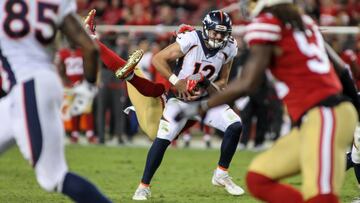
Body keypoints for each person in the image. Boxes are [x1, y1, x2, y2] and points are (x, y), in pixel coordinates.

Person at [175, 1, 359, 203]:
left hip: (325, 113)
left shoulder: (266, 24)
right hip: (320, 118)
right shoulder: (303, 22)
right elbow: (342, 70)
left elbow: (248, 82)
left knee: (322, 198)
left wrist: (202, 106)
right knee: (258, 179)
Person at [0, 1, 111, 202]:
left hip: (27, 85)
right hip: (38, 85)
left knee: (53, 177)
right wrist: (88, 87)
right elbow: (90, 48)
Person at [130, 10, 244, 200]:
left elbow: (223, 81)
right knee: (163, 138)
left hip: (205, 101)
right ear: (206, 29)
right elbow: (159, 59)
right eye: (215, 32)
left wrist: (204, 82)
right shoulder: (192, 39)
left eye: (222, 34)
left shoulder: (229, 47)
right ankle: (143, 186)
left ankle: (221, 173)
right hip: (179, 100)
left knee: (235, 125)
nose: (218, 37)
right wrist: (177, 81)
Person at [56, 43, 97, 144]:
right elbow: (61, 69)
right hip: (70, 85)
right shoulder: (63, 53)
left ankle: (89, 133)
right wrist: (66, 82)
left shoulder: (82, 52)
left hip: (83, 83)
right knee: (74, 110)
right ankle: (75, 133)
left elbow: (88, 66)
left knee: (87, 109)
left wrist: (85, 80)